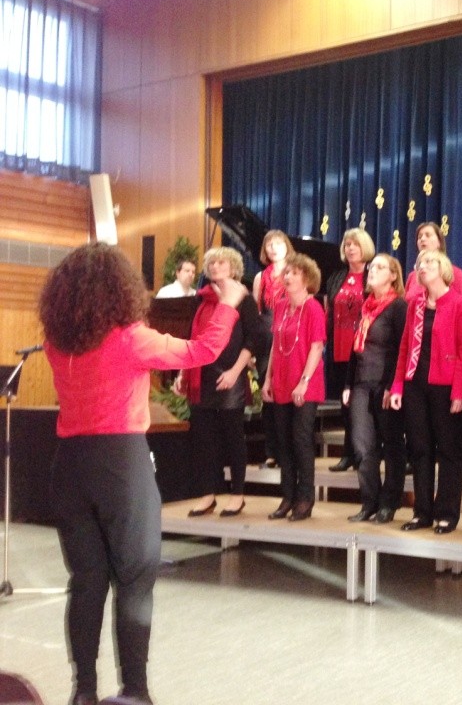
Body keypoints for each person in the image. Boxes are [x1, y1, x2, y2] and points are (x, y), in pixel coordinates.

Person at [40, 243, 246, 704]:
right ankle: (135, 691)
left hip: (70, 466)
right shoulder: (131, 338)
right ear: (120, 290)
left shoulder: (57, 344)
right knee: (134, 579)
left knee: (87, 581)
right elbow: (202, 350)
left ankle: (84, 692)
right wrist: (229, 307)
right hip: (120, 465)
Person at [390, 249, 462, 534]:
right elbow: (404, 347)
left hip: (446, 386)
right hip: (416, 385)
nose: (422, 266)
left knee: (450, 451)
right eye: (419, 263)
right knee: (420, 449)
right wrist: (398, 385)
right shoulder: (414, 303)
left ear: (443, 269)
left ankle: (447, 512)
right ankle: (422, 512)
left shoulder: (460, 304)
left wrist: (460, 392)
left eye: (429, 262)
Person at [177, 247, 261, 518]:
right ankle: (207, 494)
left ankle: (237, 495)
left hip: (230, 375)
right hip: (202, 375)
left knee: (232, 438)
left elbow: (254, 339)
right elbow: (192, 341)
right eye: (211, 262)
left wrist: (236, 371)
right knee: (203, 439)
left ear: (234, 267)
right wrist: (182, 372)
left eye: (221, 262)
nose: (214, 266)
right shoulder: (201, 300)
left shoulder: (243, 299)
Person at [262, 253, 327, 522]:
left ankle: (305, 498)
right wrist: (267, 379)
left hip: (304, 384)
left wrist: (304, 381)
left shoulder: (313, 307)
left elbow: (316, 346)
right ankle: (287, 496)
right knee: (283, 442)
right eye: (286, 272)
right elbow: (275, 347)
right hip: (281, 381)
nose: (287, 276)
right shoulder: (279, 306)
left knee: (301, 441)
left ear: (307, 278)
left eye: (294, 273)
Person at [343, 254, 408, 524]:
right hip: (361, 382)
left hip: (385, 384)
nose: (372, 271)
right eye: (372, 267)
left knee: (392, 445)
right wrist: (347, 383)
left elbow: (401, 350)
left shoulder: (398, 306)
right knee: (362, 445)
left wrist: (393, 386)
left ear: (393, 275)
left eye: (380, 267)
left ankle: (388, 503)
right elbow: (354, 349)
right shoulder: (365, 307)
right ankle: (369, 502)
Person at [323, 228, 374, 472]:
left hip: (364, 349)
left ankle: (362, 451)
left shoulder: (373, 274)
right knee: (345, 405)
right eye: (347, 245)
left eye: (355, 244)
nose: (350, 248)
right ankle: (348, 453)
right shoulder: (336, 277)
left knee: (360, 404)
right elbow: (328, 311)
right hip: (339, 347)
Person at [252, 229, 294, 470]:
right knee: (268, 396)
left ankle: (288, 450)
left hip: (289, 334)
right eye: (269, 245)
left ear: (286, 246)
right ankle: (271, 451)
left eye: (278, 243)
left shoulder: (295, 272)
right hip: (266, 336)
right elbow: (257, 312)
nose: (273, 248)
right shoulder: (260, 277)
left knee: (286, 392)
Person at [405, 221, 462, 300]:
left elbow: (461, 305)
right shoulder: (412, 276)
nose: (422, 239)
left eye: (428, 235)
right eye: (419, 237)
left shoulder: (455, 273)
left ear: (439, 242)